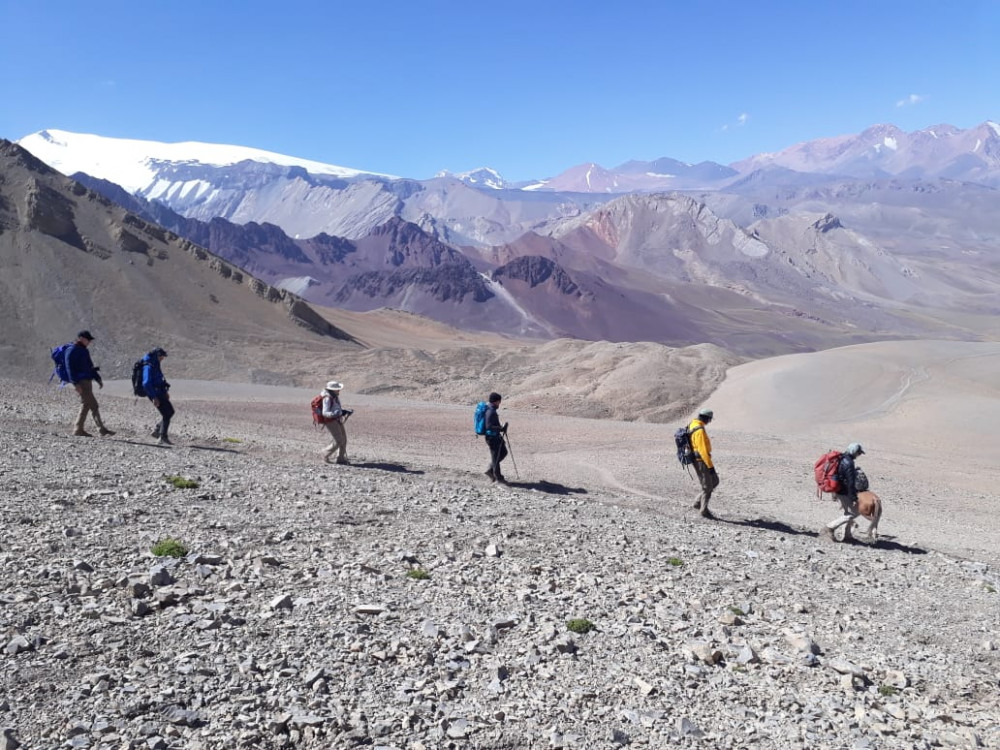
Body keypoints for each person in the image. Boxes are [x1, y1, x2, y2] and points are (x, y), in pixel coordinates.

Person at [65, 330, 114, 437]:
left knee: (86, 404)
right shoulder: (72, 350)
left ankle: (78, 429)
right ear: (81, 338)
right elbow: (69, 368)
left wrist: (98, 378)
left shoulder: (84, 351)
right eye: (88, 340)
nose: (89, 342)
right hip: (81, 383)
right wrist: (75, 383)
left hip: (87, 381)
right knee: (94, 405)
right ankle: (101, 429)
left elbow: (90, 367)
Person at [822, 442, 865, 542]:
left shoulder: (842, 457)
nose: (858, 455)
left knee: (848, 512)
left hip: (838, 489)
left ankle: (847, 535)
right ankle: (829, 528)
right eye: (858, 453)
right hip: (843, 491)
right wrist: (853, 497)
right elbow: (850, 482)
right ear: (854, 452)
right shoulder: (849, 463)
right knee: (854, 513)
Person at [689, 408, 718, 518]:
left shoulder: (693, 423)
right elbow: (703, 451)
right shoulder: (700, 430)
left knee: (715, 481)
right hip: (701, 461)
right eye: (709, 419)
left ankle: (697, 502)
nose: (709, 422)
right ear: (705, 418)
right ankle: (703, 510)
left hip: (699, 460)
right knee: (707, 487)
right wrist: (710, 467)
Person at [142, 348, 174, 446]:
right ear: (157, 356)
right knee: (166, 414)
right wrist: (153, 397)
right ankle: (162, 437)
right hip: (155, 394)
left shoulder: (156, 364)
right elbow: (146, 383)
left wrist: (165, 392)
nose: (162, 359)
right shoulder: (149, 366)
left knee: (171, 412)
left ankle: (157, 430)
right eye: (161, 357)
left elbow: (159, 380)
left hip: (160, 392)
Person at [320, 381, 352, 464]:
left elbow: (335, 408)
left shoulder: (334, 397)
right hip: (331, 421)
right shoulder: (327, 398)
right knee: (338, 440)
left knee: (344, 439)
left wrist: (343, 411)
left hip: (337, 419)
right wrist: (335, 414)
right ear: (332, 390)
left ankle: (340, 458)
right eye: (337, 389)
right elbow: (325, 412)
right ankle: (324, 453)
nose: (339, 391)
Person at [483, 392, 509, 485]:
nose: (500, 403)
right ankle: (498, 478)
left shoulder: (491, 409)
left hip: (495, 436)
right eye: (499, 401)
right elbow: (489, 426)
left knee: (503, 453)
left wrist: (500, 427)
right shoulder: (490, 411)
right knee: (496, 457)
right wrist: (501, 428)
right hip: (492, 438)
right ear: (496, 401)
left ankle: (491, 470)